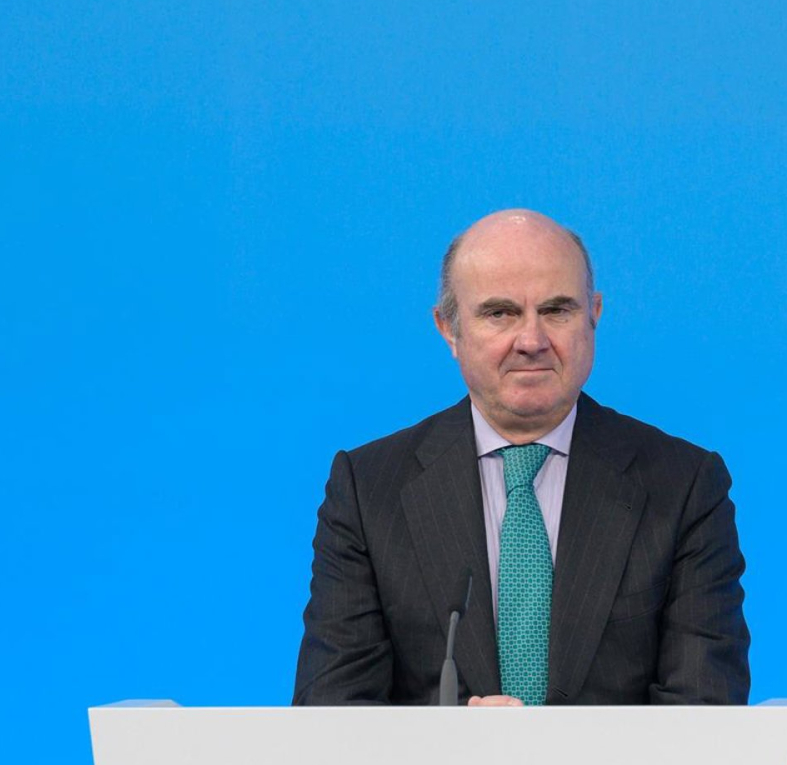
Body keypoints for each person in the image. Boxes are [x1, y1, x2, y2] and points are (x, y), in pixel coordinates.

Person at [293, 209, 749, 706]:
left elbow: (704, 715)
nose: (532, 341)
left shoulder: (684, 486)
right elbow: (332, 715)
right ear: (448, 328)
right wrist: (453, 745)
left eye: (557, 310)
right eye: (500, 313)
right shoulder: (368, 490)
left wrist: (545, 752)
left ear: (594, 314)